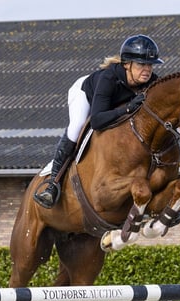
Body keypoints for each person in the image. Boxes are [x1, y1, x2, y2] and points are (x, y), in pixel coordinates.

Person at [33, 34, 164, 209]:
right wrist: (127, 109)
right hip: (86, 95)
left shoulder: (152, 81)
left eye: (150, 64)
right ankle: (52, 184)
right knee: (76, 128)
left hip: (110, 104)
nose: (147, 69)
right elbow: (96, 121)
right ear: (127, 64)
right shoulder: (108, 79)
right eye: (141, 64)